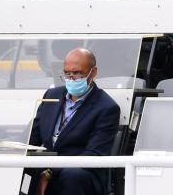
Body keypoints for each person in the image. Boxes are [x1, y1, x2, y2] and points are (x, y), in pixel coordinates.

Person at [29, 48, 120, 195]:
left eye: (77, 73)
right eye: (67, 73)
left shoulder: (106, 107)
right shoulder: (52, 95)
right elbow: (31, 136)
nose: (71, 79)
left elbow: (92, 156)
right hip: (48, 169)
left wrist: (49, 172)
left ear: (93, 72)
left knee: (73, 175)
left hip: (81, 175)